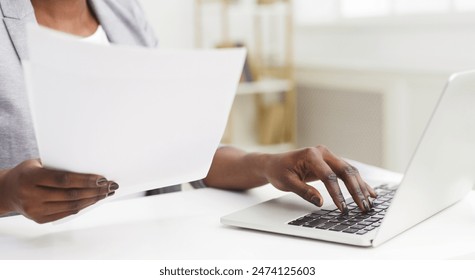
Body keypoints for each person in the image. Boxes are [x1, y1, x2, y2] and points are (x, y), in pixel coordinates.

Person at [0, 0, 376, 224]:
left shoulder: (123, 12)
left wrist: (267, 164)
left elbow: (180, 150)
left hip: (147, 234)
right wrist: (9, 194)